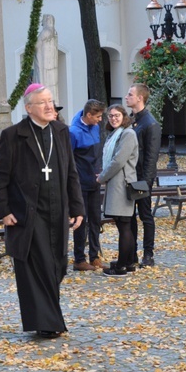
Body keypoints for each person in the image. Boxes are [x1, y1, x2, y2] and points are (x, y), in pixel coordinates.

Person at [0, 84, 85, 339]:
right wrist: (4, 210)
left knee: (56, 265)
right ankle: (48, 323)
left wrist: (77, 206)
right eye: (42, 102)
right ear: (29, 107)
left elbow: (71, 172)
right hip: (27, 213)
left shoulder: (61, 131)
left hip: (57, 211)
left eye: (50, 101)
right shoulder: (13, 135)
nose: (49, 106)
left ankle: (48, 318)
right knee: (36, 266)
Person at [97, 105, 139, 276]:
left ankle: (122, 265)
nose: (113, 119)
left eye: (117, 115)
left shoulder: (128, 134)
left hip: (122, 184)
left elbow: (118, 161)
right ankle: (127, 262)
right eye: (110, 116)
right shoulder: (115, 134)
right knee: (123, 225)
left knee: (124, 225)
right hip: (117, 183)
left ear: (124, 116)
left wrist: (102, 177)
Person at [69, 99, 108, 271]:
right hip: (80, 184)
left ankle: (94, 255)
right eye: (98, 116)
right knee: (81, 221)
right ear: (89, 115)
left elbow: (97, 155)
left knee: (95, 219)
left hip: (95, 181)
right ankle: (79, 258)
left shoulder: (96, 128)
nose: (100, 120)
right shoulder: (74, 132)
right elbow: (69, 160)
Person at [124, 83, 161, 268]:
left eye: (130, 94)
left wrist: (145, 183)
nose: (126, 97)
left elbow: (151, 156)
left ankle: (148, 254)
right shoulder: (131, 120)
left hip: (141, 178)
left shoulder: (150, 123)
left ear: (140, 98)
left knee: (145, 215)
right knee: (129, 216)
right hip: (129, 176)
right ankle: (132, 253)